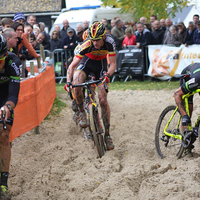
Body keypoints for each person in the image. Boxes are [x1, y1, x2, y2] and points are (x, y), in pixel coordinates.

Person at [65, 22, 116, 150]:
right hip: (86, 64)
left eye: (97, 40)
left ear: (103, 36)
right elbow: (72, 66)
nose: (95, 43)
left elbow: (113, 64)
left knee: (103, 100)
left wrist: (107, 75)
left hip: (101, 67)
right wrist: (68, 82)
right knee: (77, 84)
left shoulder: (110, 42)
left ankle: (108, 135)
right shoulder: (87, 44)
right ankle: (81, 111)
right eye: (92, 40)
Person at [0, 34, 21, 200]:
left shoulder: (13, 62)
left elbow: (14, 95)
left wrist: (7, 107)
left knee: (4, 135)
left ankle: (3, 182)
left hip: (5, 97)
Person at [174, 63, 200, 154]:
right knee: (189, 109)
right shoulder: (196, 80)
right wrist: (184, 115)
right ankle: (186, 144)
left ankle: (196, 128)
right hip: (189, 77)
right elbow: (176, 94)